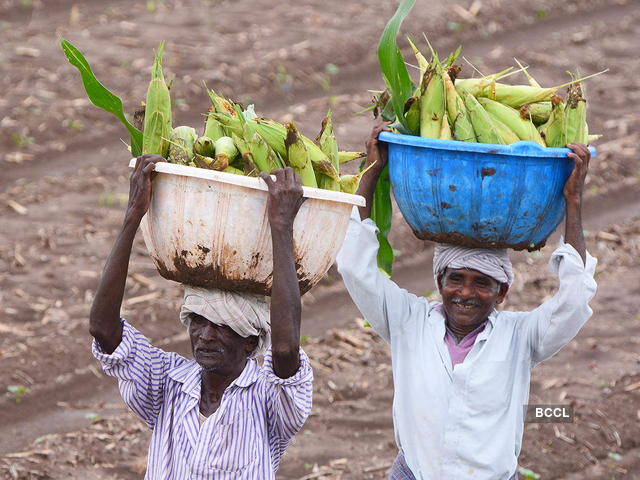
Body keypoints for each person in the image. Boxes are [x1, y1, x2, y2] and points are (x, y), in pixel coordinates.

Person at [336, 123, 597, 480]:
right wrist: (373, 171)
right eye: (456, 279)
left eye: (482, 284)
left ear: (502, 292)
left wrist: (573, 201)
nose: (466, 293)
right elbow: (355, 267)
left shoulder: (519, 337)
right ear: (439, 281)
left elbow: (575, 298)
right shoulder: (408, 323)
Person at [89, 155, 313, 479]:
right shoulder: (166, 384)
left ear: (251, 341)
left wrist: (280, 227)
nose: (205, 336)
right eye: (198, 321)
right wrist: (133, 215)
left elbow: (285, 350)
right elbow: (102, 328)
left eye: (222, 327)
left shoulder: (270, 403)